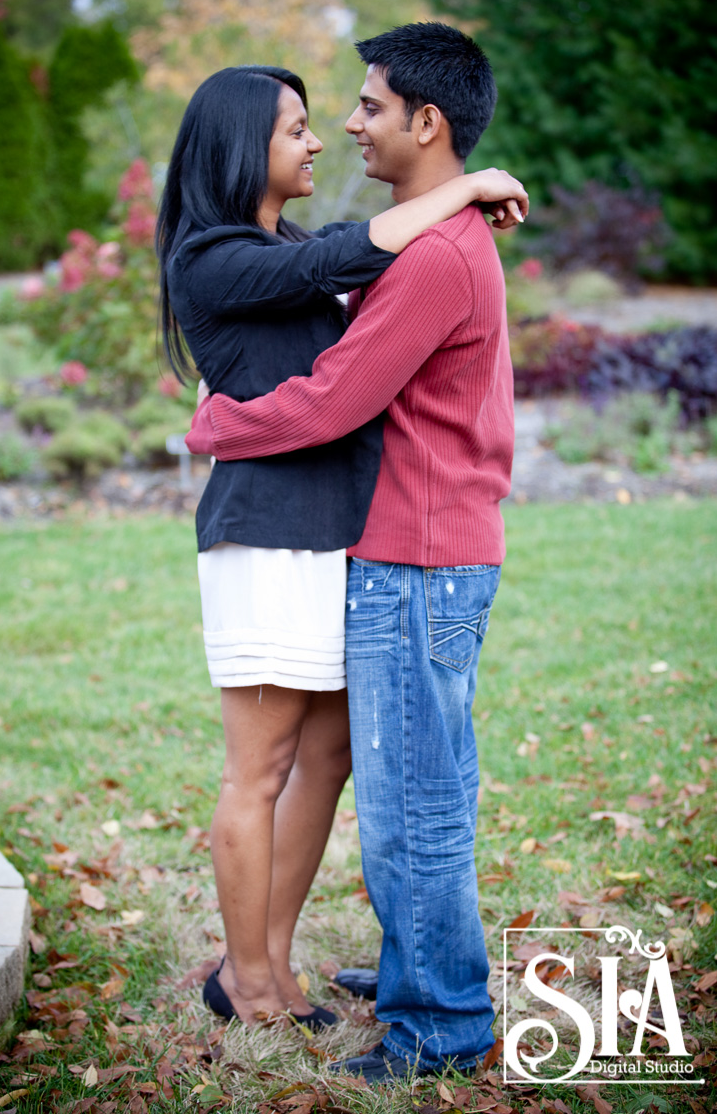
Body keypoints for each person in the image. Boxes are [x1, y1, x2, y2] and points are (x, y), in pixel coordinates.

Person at [157, 63, 527, 1032]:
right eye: (295, 129)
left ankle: (271, 965)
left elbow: (341, 261)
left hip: (329, 538)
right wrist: (466, 187)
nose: (319, 140)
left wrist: (452, 205)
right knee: (260, 767)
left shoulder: (283, 240)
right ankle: (244, 982)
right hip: (265, 536)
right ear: (244, 148)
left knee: (324, 754)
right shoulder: (211, 257)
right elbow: (336, 264)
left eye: (326, 122)